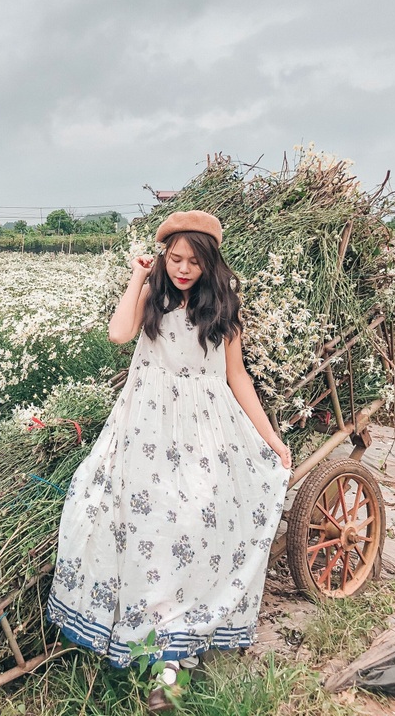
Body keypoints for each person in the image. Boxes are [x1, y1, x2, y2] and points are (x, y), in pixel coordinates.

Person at [46, 210, 291, 709]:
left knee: (196, 525)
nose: (183, 269)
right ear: (163, 255)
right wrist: (137, 275)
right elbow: (118, 334)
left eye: (194, 262)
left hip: (206, 428)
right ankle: (159, 653)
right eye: (175, 258)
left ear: (209, 264)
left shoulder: (222, 306)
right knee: (145, 523)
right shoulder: (153, 295)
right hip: (147, 429)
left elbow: (236, 376)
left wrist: (271, 438)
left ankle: (174, 647)